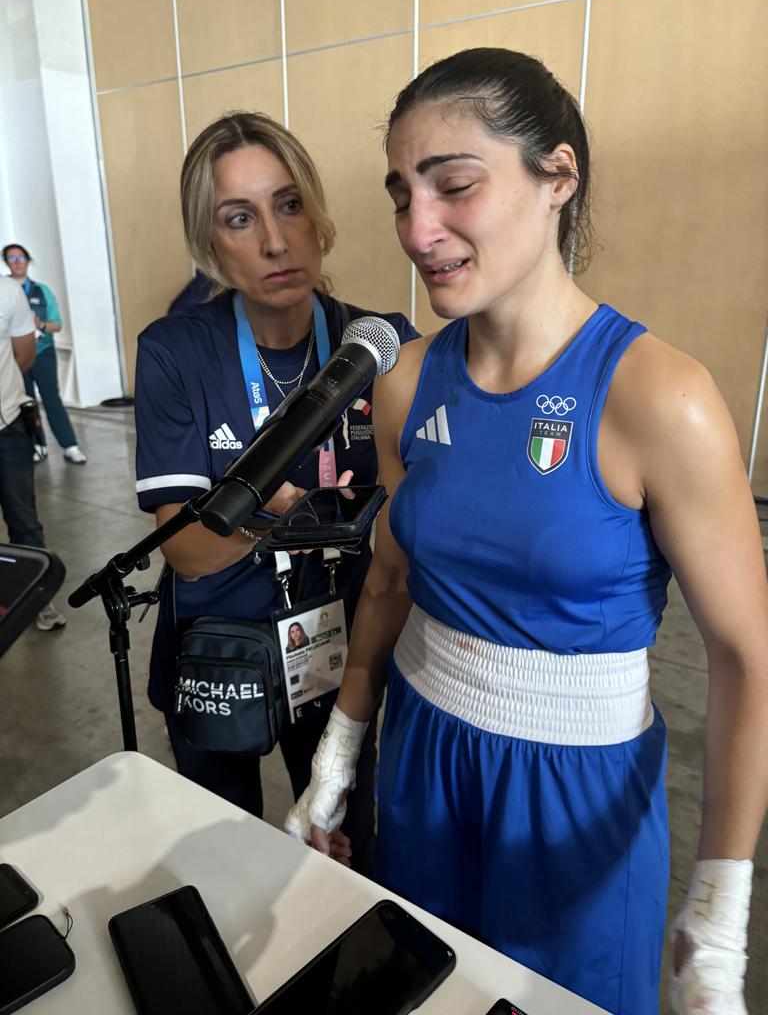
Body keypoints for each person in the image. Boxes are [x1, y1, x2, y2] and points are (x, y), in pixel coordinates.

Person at [285, 49, 768, 1015]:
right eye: (401, 195)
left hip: (576, 803)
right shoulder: (407, 383)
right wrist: (340, 753)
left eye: (455, 186)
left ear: (558, 177)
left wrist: (720, 908)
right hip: (423, 762)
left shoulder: (658, 397)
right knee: (419, 991)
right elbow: (389, 581)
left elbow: (745, 662)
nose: (419, 231)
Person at [134, 112, 418, 875]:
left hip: (342, 653)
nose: (273, 239)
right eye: (239, 217)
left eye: (289, 204)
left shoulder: (381, 342)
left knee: (343, 859)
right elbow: (188, 550)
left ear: (318, 216)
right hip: (218, 647)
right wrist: (309, 518)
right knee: (224, 859)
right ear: (209, 243)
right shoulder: (176, 350)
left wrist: (282, 520)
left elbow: (410, 530)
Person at [0, 276, 67, 630]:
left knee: (23, 518)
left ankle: (37, 601)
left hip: (8, 425)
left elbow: (23, 357)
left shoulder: (9, 293)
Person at [2, 244, 86, 464]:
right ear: (6, 263)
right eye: (12, 258)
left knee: (51, 399)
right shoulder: (6, 290)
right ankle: (37, 445)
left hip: (43, 352)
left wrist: (40, 323)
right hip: (14, 356)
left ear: (28, 260)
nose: (17, 262)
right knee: (26, 403)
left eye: (21, 257)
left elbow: (57, 324)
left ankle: (70, 445)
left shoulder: (42, 291)